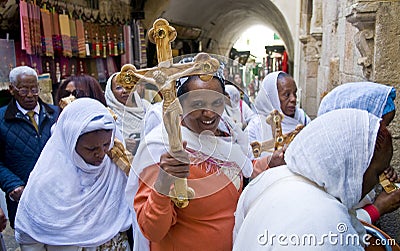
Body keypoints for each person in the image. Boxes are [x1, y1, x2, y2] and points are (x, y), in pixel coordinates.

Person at [126, 68, 255, 251]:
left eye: (216, 102)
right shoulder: (162, 148)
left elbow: (247, 167)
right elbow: (152, 230)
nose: (209, 113)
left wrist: (271, 163)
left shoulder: (229, 133)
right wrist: (163, 182)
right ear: (180, 105)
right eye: (198, 103)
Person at [233, 109, 393, 250]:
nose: (379, 181)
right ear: (354, 168)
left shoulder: (269, 179)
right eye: (377, 172)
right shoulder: (328, 226)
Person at [15, 98, 132, 250]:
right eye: (91, 149)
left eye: (105, 145)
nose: (101, 154)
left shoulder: (115, 169)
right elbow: (30, 236)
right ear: (70, 142)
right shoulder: (46, 183)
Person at [318, 81, 400, 225]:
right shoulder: (328, 172)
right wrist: (377, 209)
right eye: (381, 127)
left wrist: (378, 173)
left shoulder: (358, 161)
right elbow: (334, 226)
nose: (386, 134)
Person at [0, 66, 59, 229]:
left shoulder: (55, 114)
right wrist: (12, 184)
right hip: (23, 199)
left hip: (58, 196)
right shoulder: (2, 119)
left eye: (34, 89)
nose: (31, 95)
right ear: (12, 89)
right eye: (24, 90)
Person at [105, 73, 151, 155]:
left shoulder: (146, 106)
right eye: (119, 88)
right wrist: (123, 144)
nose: (125, 91)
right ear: (110, 92)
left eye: (128, 87)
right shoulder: (108, 115)